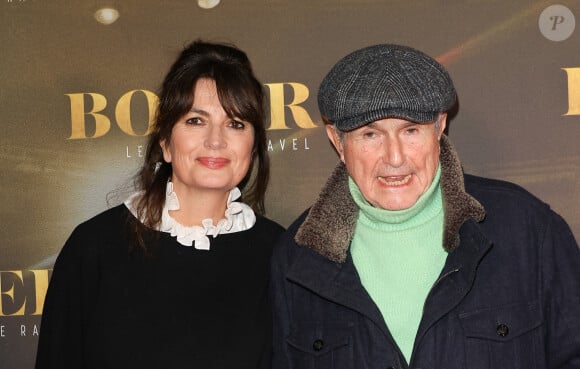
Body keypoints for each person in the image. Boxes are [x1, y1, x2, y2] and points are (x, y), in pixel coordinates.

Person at [270, 44, 580, 369]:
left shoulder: (526, 228)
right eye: (370, 134)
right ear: (338, 141)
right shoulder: (298, 256)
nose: (394, 157)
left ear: (439, 126)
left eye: (411, 130)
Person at [35, 40, 284, 369]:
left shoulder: (282, 256)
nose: (216, 140)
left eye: (235, 124)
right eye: (196, 120)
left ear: (252, 150)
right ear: (165, 141)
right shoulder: (93, 248)